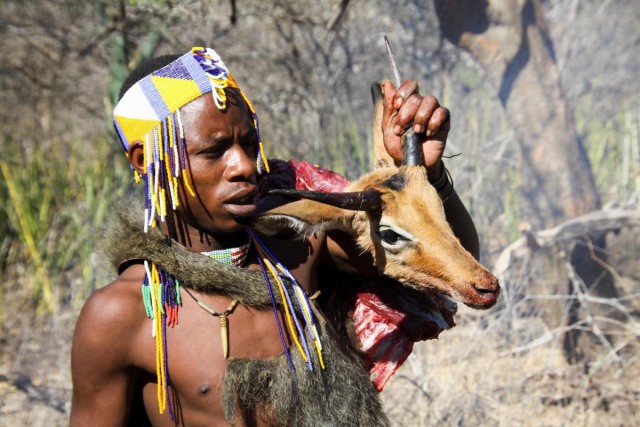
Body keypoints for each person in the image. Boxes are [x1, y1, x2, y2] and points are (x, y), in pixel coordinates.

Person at [70, 47, 479, 426]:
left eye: (249, 143)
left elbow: (457, 267)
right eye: (214, 151)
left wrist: (423, 176)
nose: (244, 166)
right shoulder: (121, 315)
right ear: (147, 160)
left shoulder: (297, 242)